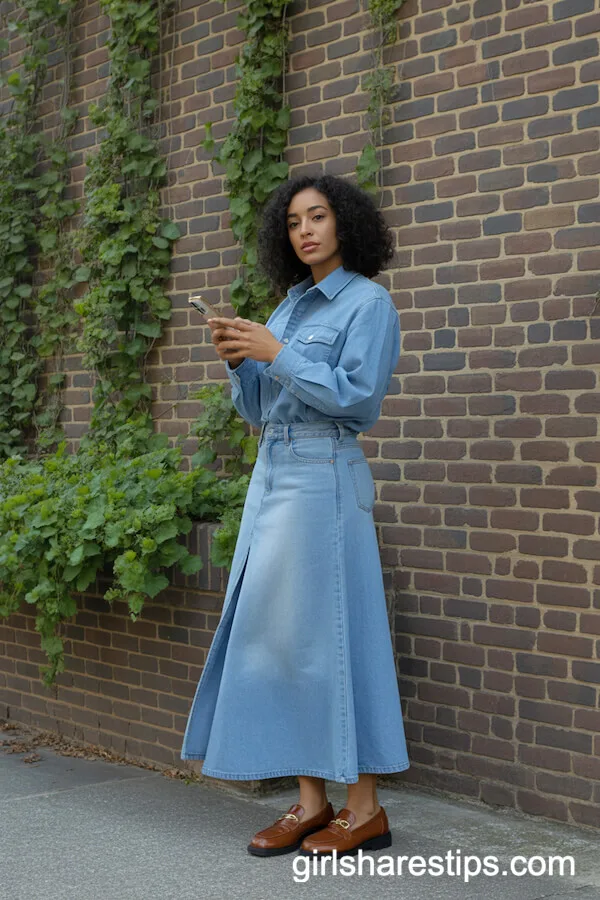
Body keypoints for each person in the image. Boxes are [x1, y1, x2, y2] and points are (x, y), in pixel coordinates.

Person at [180, 173, 410, 858]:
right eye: (293, 222)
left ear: (346, 224)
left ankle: (364, 808)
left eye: (318, 217)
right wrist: (240, 363)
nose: (305, 230)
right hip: (274, 477)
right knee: (281, 640)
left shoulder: (368, 303)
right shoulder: (287, 308)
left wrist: (276, 355)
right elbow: (259, 410)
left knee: (336, 636)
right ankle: (312, 801)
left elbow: (358, 400)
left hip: (324, 479)